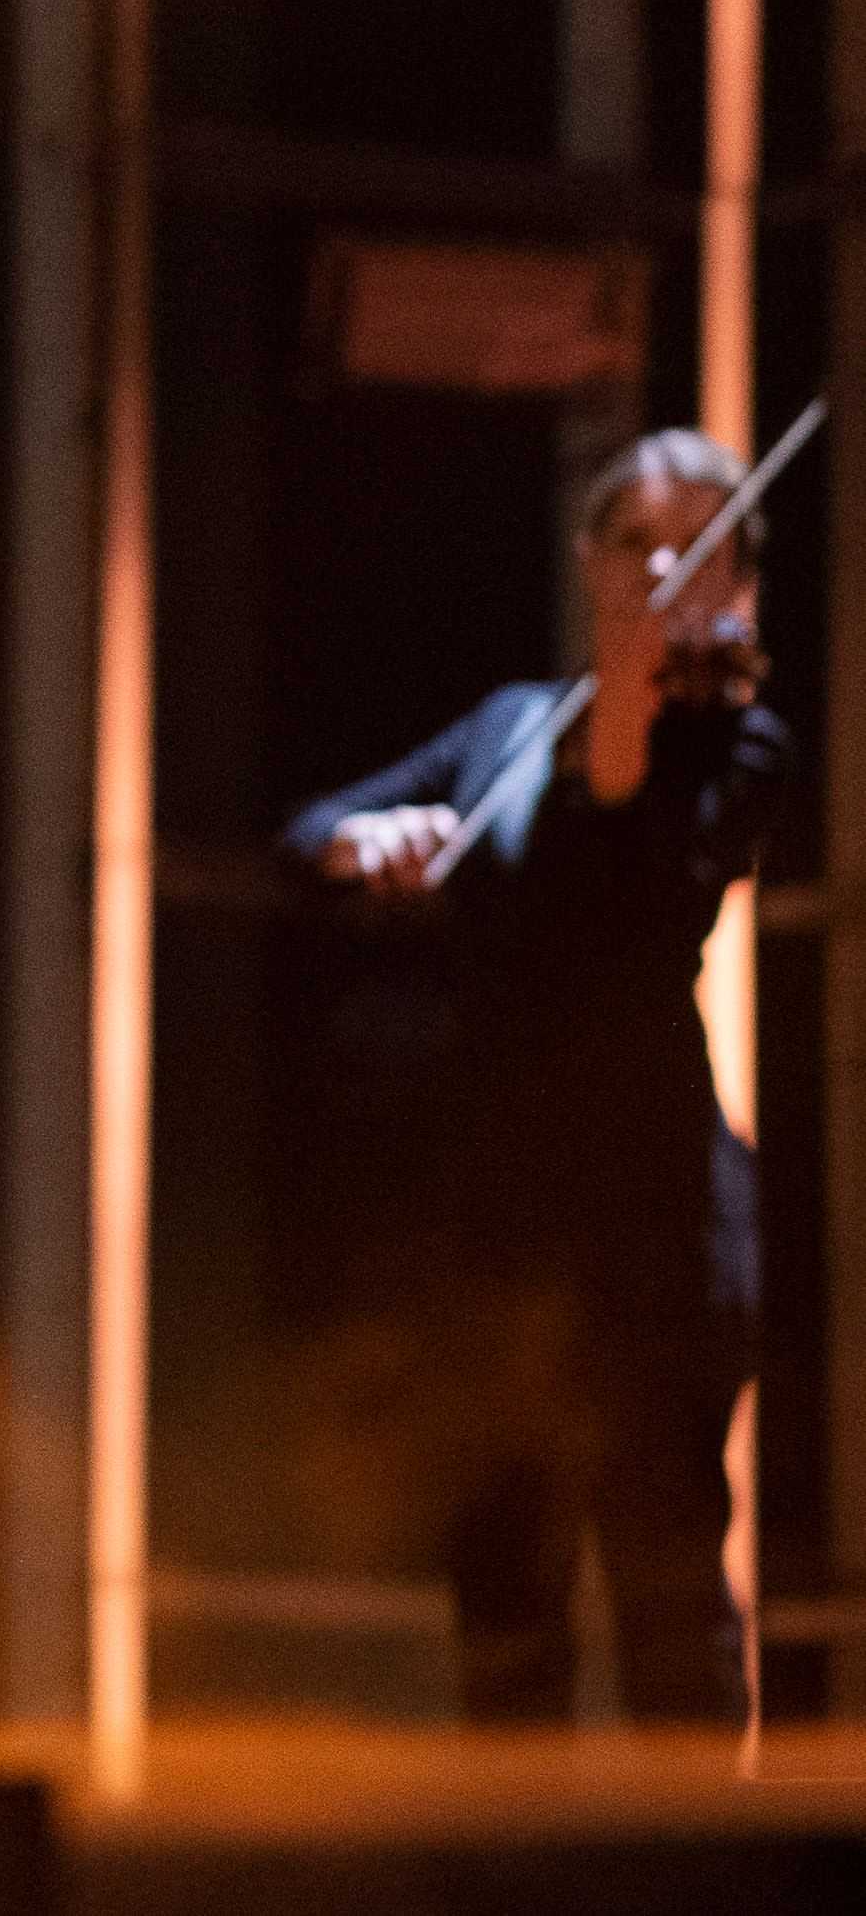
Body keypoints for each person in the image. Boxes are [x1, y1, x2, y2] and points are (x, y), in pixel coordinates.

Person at [277, 431, 786, 1727]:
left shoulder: (734, 741)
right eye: (633, 539)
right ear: (588, 558)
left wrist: (625, 695)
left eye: (696, 544)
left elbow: (615, 878)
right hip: (495, 1231)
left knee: (672, 1611)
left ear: (735, 581)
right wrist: (365, 838)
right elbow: (306, 835)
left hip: (655, 1232)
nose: (660, 563)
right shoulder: (510, 723)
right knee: (503, 1619)